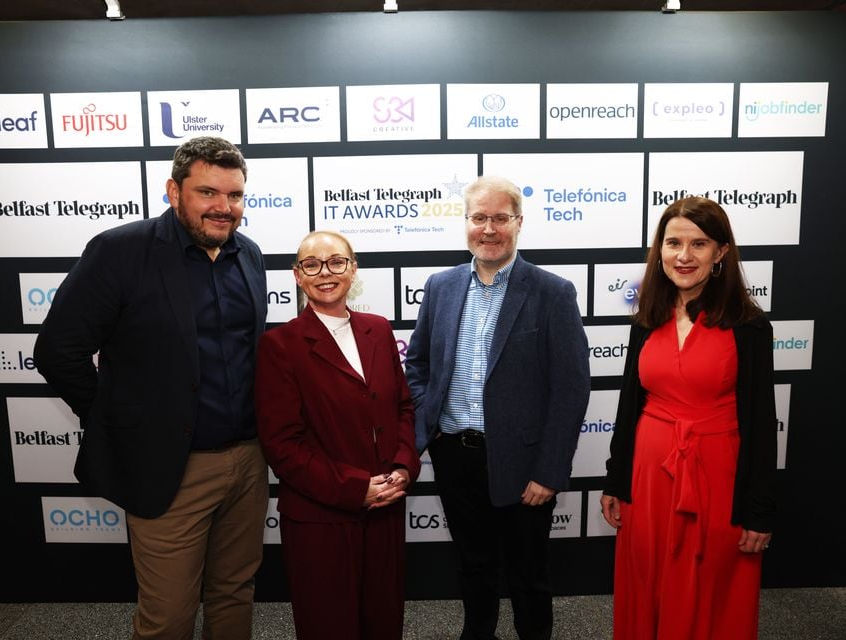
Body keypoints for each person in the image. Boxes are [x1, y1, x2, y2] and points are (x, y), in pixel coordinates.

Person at [34, 136, 269, 640]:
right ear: (173, 191)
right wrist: (119, 419)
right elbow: (58, 351)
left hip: (249, 460)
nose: (224, 208)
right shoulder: (120, 251)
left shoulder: (248, 255)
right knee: (168, 617)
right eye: (208, 192)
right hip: (170, 468)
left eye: (235, 195)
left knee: (235, 595)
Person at [405, 175, 591, 640]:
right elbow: (420, 364)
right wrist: (429, 424)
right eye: (479, 217)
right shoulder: (441, 285)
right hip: (455, 456)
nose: (489, 229)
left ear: (519, 222)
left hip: (524, 464)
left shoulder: (552, 292)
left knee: (529, 576)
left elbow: (570, 389)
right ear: (466, 222)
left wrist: (550, 470)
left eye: (500, 218)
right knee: (473, 568)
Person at [600, 196, 777, 640]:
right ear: (658, 250)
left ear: (720, 253)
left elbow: (760, 423)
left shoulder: (748, 325)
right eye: (673, 242)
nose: (683, 256)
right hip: (647, 479)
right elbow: (628, 406)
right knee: (647, 582)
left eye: (699, 244)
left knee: (711, 589)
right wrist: (615, 480)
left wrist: (758, 512)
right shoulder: (645, 319)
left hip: (716, 478)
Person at [254, 230, 421, 640]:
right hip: (320, 518)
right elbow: (282, 445)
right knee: (329, 624)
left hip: (385, 506)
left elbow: (402, 406)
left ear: (353, 268)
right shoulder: (279, 345)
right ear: (297, 276)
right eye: (311, 264)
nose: (324, 273)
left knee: (383, 621)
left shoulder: (378, 329)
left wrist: (403, 466)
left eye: (336, 262)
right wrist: (353, 488)